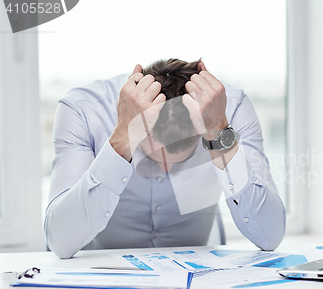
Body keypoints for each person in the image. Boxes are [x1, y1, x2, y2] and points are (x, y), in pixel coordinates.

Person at [45, 58, 286, 258]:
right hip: (99, 280)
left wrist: (220, 132)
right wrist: (122, 136)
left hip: (199, 283)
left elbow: (270, 235)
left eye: (184, 154)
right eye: (154, 150)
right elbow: (60, 241)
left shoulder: (230, 109)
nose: (166, 168)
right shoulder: (83, 109)